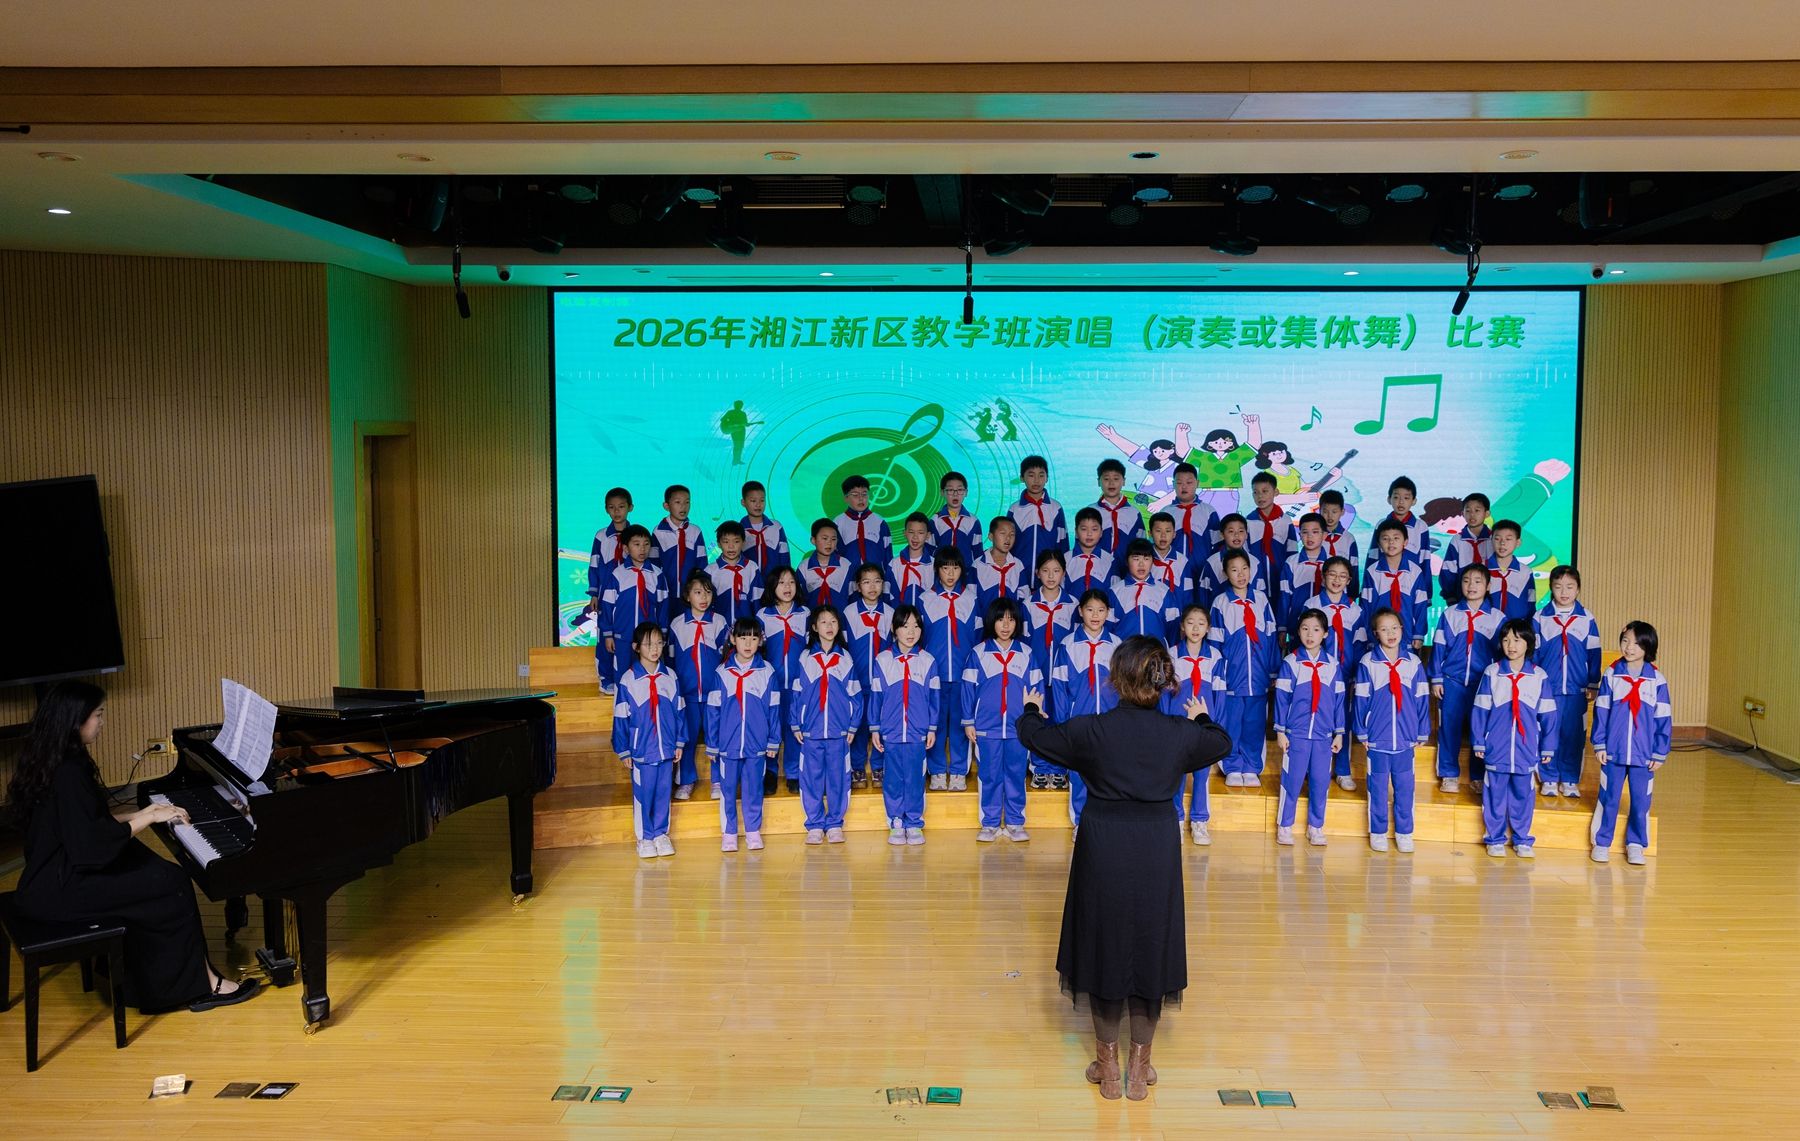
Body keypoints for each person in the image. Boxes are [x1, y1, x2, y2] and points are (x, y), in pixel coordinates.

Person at [1016, 638, 1233, 1101]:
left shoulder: (1093, 729)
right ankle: (1140, 1067)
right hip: (1156, 845)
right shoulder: (1179, 732)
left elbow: (1033, 736)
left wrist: (1031, 708)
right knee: (1150, 945)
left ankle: (1108, 1068)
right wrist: (1200, 716)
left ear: (1115, 680)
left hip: (1104, 843)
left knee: (1104, 945)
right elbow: (1220, 742)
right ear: (1165, 681)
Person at [7, 682, 260, 1013]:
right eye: (98, 715)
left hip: (50, 875)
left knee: (148, 864)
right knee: (171, 883)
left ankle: (141, 981)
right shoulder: (68, 771)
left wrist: (144, 814)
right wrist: (149, 817)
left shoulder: (55, 757)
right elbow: (92, 846)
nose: (102, 722)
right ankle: (198, 987)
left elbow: (85, 823)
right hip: (59, 889)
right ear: (75, 720)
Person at [1470, 618, 1559, 858]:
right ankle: (1495, 838)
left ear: (1528, 643)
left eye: (1517, 640)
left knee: (1523, 794)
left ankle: (1522, 839)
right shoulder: (1492, 673)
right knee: (1494, 794)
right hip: (1496, 746)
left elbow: (1549, 715)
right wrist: (1479, 740)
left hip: (1526, 747)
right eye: (1506, 640)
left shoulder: (1539, 676)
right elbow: (1480, 709)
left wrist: (1547, 746)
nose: (1511, 645)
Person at [1590, 621, 1672, 866]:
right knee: (1609, 797)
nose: (1629, 647)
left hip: (1643, 755)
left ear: (1648, 646)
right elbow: (1601, 711)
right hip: (1613, 752)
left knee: (1640, 801)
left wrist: (1659, 752)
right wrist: (1600, 744)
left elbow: (1663, 719)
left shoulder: (1657, 680)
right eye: (1625, 641)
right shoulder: (1612, 675)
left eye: (1636, 643)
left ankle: (1636, 844)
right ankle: (1601, 842)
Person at [963, 597, 1043, 842]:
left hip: (1018, 728)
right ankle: (989, 823)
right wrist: (968, 721)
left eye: (1011, 620)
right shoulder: (978, 653)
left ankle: (1016, 822)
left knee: (1016, 774)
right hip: (987, 728)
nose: (1006, 625)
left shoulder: (1027, 653)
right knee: (989, 775)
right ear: (991, 622)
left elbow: (1037, 689)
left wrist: (1033, 719)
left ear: (1018, 623)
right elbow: (967, 689)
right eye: (1000, 619)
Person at [1355, 608, 1430, 853]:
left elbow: (1422, 698)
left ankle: (1404, 832)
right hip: (1377, 739)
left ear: (1402, 630)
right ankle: (1378, 832)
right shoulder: (1368, 662)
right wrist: (1362, 730)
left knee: (1405, 789)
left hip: (1406, 739)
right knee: (1377, 788)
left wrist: (1422, 730)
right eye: (1384, 629)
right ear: (1375, 633)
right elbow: (1361, 699)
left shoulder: (1413, 663)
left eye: (1394, 628)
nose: (1390, 633)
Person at [705, 618, 782, 852]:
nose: (748, 643)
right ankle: (729, 833)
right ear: (732, 639)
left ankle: (752, 831)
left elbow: (774, 709)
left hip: (756, 744)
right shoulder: (721, 673)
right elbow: (713, 711)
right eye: (743, 637)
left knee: (754, 789)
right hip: (727, 745)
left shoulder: (767, 672)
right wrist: (712, 743)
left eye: (754, 638)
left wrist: (773, 740)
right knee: (727, 790)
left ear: (761, 641)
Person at [789, 605, 863, 844]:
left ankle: (835, 823)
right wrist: (795, 723)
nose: (829, 626)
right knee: (811, 779)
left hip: (838, 732)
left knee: (838, 779)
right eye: (823, 622)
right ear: (814, 627)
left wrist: (853, 725)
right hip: (811, 731)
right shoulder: (805, 658)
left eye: (833, 621)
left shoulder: (845, 658)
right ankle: (814, 823)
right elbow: (797, 693)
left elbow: (855, 694)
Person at [1272, 609, 1347, 847]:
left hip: (1323, 736)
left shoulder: (1333, 665)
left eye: (1316, 629)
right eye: (1305, 629)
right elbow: (1282, 699)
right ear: (1298, 632)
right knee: (1292, 781)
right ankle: (1285, 825)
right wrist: (1281, 731)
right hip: (1296, 735)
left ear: (1325, 634)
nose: (1310, 634)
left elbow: (1339, 701)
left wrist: (1339, 732)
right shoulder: (1291, 663)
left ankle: (1316, 826)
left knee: (1320, 782)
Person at [868, 605, 940, 845]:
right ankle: (896, 822)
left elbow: (934, 698)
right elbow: (876, 697)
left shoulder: (928, 661)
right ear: (894, 628)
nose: (911, 632)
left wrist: (932, 727)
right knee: (893, 779)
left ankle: (915, 822)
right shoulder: (883, 660)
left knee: (915, 778)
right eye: (905, 626)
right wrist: (875, 728)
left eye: (916, 626)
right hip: (891, 731)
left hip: (918, 732)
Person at [1430, 564, 1505, 793]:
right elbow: (1439, 647)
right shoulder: (1450, 614)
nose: (1471, 585)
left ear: (1488, 586)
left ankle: (1478, 776)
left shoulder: (1497, 618)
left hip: (1482, 685)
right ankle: (1449, 774)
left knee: (1480, 729)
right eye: (1466, 581)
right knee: (1449, 728)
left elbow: (1503, 654)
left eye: (1477, 581)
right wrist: (1436, 678)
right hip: (1452, 681)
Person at [615, 622, 686, 858]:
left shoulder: (670, 676)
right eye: (648, 644)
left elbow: (679, 711)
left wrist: (679, 741)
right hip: (641, 750)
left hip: (666, 749)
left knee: (664, 792)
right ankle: (645, 837)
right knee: (644, 794)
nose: (655, 649)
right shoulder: (628, 680)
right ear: (636, 647)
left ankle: (660, 834)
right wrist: (624, 750)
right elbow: (620, 717)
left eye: (659, 643)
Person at [1208, 549, 1279, 787]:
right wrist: (1218, 675)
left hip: (1258, 676)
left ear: (1251, 570)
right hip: (1232, 677)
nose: (1240, 574)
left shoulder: (1261, 600)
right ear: (1225, 573)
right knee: (1232, 722)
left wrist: (1272, 670)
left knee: (1254, 724)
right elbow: (1215, 644)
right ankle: (1231, 766)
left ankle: (1251, 766)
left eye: (1244, 569)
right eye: (1234, 570)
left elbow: (1271, 637)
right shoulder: (1220, 603)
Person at [1050, 590, 1121, 821]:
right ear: (1080, 611)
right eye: (1090, 609)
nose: (1095, 615)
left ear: (1108, 613)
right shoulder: (1068, 644)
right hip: (1079, 720)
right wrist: (1063, 722)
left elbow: (1124, 685)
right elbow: (1059, 686)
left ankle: (1107, 819)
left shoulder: (1117, 644)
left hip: (1110, 719)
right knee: (1080, 771)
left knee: (1109, 770)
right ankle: (1080, 821)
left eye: (1101, 610)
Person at [1532, 565, 1602, 797]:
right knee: (1547, 732)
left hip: (1576, 690)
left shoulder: (1587, 618)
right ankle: (1548, 778)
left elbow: (1594, 653)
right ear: (1551, 588)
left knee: (1574, 735)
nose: (1564, 592)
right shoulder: (1540, 617)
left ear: (1578, 589)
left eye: (1570, 587)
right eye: (1558, 586)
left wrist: (1593, 683)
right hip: (1548, 690)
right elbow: (1533, 655)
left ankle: (1570, 779)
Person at [1162, 603, 1226, 845]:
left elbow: (1220, 694)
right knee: (1177, 773)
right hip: (1178, 724)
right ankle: (1176, 819)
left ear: (1208, 628)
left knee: (1201, 774)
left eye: (1201, 624)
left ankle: (1199, 821)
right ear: (1182, 626)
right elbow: (1164, 693)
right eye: (1190, 623)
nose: (1195, 628)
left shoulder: (1216, 657)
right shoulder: (1172, 655)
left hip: (1203, 727)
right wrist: (1166, 722)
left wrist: (1215, 725)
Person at [921, 547, 981, 790]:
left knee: (960, 723)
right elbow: (919, 638)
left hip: (962, 674)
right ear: (937, 570)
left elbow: (978, 638)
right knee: (934, 723)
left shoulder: (972, 599)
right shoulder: (925, 599)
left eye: (955, 568)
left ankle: (958, 771)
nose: (950, 573)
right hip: (934, 675)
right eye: (945, 568)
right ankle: (936, 771)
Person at [1305, 556, 1367, 789]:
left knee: (1343, 722)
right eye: (1332, 574)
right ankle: (1315, 768)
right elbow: (1303, 640)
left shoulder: (1356, 610)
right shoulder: (1312, 605)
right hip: (1318, 675)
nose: (1337, 580)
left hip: (1345, 675)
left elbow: (1360, 646)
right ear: (1323, 577)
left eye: (1343, 576)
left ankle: (1342, 770)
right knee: (1317, 719)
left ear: (1349, 580)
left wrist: (1356, 676)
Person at [668, 572, 728, 801]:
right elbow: (671, 661)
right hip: (688, 694)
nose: (704, 597)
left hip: (714, 694)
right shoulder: (677, 624)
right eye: (698, 592)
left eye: (708, 592)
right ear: (687, 596)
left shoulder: (719, 622)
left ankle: (718, 780)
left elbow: (726, 658)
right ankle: (686, 780)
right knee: (687, 738)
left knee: (717, 737)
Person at [755, 565, 810, 794]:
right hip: (772, 684)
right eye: (781, 582)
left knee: (794, 727)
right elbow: (757, 650)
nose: (787, 587)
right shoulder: (762, 615)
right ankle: (769, 771)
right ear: (772, 586)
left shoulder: (805, 614)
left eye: (791, 582)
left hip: (797, 685)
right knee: (770, 726)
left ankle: (794, 772)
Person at [599, 524, 668, 693]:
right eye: (636, 544)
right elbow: (606, 606)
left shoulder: (657, 575)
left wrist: (662, 634)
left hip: (649, 641)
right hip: (623, 637)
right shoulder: (617, 574)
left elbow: (663, 607)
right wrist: (608, 634)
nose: (642, 549)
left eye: (646, 544)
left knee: (647, 678)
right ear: (626, 548)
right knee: (622, 678)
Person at [843, 563, 894, 789]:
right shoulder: (849, 613)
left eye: (877, 581)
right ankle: (857, 767)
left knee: (882, 723)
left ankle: (879, 766)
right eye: (866, 582)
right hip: (858, 680)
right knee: (859, 724)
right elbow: (844, 648)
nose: (872, 587)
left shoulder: (890, 613)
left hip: (883, 682)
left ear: (883, 584)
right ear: (858, 586)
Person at [585, 486, 635, 694]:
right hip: (606, 596)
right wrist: (594, 593)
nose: (617, 511)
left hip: (628, 596)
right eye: (612, 507)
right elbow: (594, 565)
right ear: (606, 509)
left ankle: (631, 677)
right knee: (605, 636)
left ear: (630, 508)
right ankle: (606, 679)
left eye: (621, 507)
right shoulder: (601, 536)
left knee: (627, 637)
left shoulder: (636, 535)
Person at [1360, 518, 1430, 651]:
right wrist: (1369, 636)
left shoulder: (1415, 571)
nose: (1391, 542)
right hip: (1378, 639)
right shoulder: (1372, 572)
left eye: (1396, 538)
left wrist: (1419, 634)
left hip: (1407, 637)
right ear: (1379, 544)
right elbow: (1365, 607)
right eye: (1385, 538)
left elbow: (1420, 606)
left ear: (1405, 542)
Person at [653, 484, 708, 618]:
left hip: (690, 595)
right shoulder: (658, 532)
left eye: (687, 502)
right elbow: (653, 565)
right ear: (666, 506)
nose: (683, 507)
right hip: (666, 593)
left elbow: (702, 564)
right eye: (677, 502)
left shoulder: (695, 531)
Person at [1195, 514, 1271, 608]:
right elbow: (1203, 596)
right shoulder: (1212, 563)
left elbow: (1262, 595)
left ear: (1246, 534)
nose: (1236, 535)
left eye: (1241, 531)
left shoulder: (1255, 562)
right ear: (1222, 535)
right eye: (1231, 531)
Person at [1010, 454, 1069, 572]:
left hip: (1049, 574)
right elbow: (1009, 543)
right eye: (1031, 475)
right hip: (1020, 573)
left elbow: (1063, 543)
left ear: (1047, 478)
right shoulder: (1014, 509)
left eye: (1041, 475)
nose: (1036, 480)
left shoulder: (1056, 508)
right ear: (1022, 478)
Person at [704, 520, 763, 626]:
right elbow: (705, 603)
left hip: (746, 630)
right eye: (726, 542)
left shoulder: (752, 568)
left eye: (736, 541)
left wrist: (759, 627)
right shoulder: (710, 570)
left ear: (743, 542)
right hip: (719, 628)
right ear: (719, 544)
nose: (731, 547)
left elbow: (758, 601)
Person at [1436, 491, 1493, 601]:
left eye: (1477, 510)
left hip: (1491, 598)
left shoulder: (1493, 539)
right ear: (1462, 513)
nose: (1472, 515)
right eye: (1468, 511)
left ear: (1487, 513)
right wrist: (1450, 595)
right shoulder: (1457, 540)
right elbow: (1448, 569)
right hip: (1462, 597)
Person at [834, 474, 893, 569]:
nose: (861, 498)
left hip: (875, 575)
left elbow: (888, 554)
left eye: (864, 494)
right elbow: (834, 554)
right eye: (855, 495)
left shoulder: (880, 522)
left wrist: (888, 576)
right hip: (848, 575)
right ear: (846, 498)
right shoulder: (837, 523)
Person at [1484, 520, 1537, 622]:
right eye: (1497, 539)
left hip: (1517, 627)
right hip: (1488, 626)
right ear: (1491, 540)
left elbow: (1531, 602)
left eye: (1508, 539)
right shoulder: (1482, 569)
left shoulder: (1526, 572)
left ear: (1518, 543)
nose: (1502, 543)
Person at [798, 517, 855, 612]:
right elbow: (799, 599)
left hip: (841, 619)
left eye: (833, 539)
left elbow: (854, 596)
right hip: (813, 619)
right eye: (824, 538)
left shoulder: (846, 565)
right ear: (813, 540)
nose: (829, 543)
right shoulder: (803, 567)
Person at [1166, 462, 1217, 564]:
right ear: (1173, 484)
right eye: (1179, 483)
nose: (1184, 487)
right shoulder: (1166, 512)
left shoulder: (1209, 511)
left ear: (1197, 483)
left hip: (1202, 568)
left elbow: (1218, 543)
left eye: (1189, 482)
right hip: (1174, 568)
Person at [972, 515, 1027, 610]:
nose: (1008, 538)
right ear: (991, 536)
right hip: (984, 618)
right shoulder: (978, 565)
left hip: (1011, 618)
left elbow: (1024, 596)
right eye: (1002, 533)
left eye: (1012, 534)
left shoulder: (1018, 565)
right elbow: (971, 598)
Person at [1091, 458, 1144, 555]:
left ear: (1124, 481)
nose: (1111, 483)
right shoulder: (1090, 511)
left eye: (1116, 479)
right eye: (1106, 479)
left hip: (1126, 564)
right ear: (1098, 481)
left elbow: (1142, 546)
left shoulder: (1134, 513)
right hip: (1098, 564)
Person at [931, 470, 984, 563]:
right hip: (941, 569)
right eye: (950, 490)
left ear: (966, 492)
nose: (955, 494)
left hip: (966, 569)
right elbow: (929, 548)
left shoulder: (973, 521)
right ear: (942, 492)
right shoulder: (935, 520)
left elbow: (977, 551)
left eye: (960, 490)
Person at [885, 511, 936, 608]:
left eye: (920, 533)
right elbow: (888, 595)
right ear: (904, 533)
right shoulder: (894, 564)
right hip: (899, 616)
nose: (915, 537)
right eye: (911, 532)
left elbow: (936, 597)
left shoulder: (934, 565)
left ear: (928, 535)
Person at [1381, 476, 1436, 565]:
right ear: (1389, 499)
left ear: (1414, 501)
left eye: (1406, 498)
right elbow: (1373, 555)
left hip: (1413, 573)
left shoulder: (1421, 526)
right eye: (1396, 497)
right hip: (1385, 573)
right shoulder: (1381, 524)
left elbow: (1425, 557)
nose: (1401, 502)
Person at [1146, 513, 1194, 616]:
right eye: (1158, 531)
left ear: (1174, 534)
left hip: (1176, 616)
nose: (1163, 535)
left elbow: (1188, 594)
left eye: (1168, 531)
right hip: (1151, 614)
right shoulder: (1145, 559)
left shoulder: (1182, 561)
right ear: (1150, 533)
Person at [740, 479, 791, 572]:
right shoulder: (738, 530)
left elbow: (785, 557)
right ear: (743, 502)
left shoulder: (776, 527)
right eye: (753, 501)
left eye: (762, 500)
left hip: (774, 579)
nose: (758, 505)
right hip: (748, 580)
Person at [1066, 508, 1116, 592]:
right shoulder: (1065, 560)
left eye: (1094, 529)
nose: (1089, 534)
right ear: (1076, 532)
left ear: (1101, 532)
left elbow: (1115, 592)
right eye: (1084, 529)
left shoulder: (1110, 561)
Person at [1317, 489, 1359, 567]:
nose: (1330, 516)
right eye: (1325, 512)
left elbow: (1354, 566)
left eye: (1334, 512)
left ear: (1342, 512)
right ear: (1320, 511)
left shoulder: (1349, 538)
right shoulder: (1315, 536)